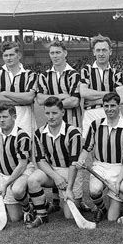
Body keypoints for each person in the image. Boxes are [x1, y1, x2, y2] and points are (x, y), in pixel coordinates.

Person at [78, 92, 123, 222]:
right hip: (100, 166)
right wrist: (81, 159)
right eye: (106, 106)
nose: (109, 109)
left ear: (119, 106)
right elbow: (86, 148)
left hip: (119, 168)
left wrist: (118, 180)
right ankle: (101, 208)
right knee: (94, 190)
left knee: (112, 219)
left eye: (112, 105)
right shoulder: (95, 125)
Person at [36, 40, 83, 213]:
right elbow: (40, 100)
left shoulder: (74, 74)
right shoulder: (44, 76)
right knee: (53, 158)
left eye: (57, 52)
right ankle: (56, 199)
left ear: (65, 53)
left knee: (73, 161)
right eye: (52, 53)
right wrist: (62, 96)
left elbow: (74, 100)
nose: (54, 56)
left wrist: (52, 99)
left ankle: (77, 197)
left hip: (72, 125)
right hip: (54, 126)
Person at [25, 97, 83, 228]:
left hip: (70, 171)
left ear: (62, 112)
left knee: (68, 216)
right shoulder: (39, 133)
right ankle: (42, 214)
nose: (50, 117)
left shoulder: (74, 133)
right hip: (52, 172)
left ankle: (73, 199)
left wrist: (68, 188)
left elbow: (74, 163)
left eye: (54, 113)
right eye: (47, 113)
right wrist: (56, 177)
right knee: (32, 180)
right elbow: (40, 161)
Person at [79, 35, 123, 138]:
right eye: (98, 50)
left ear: (110, 51)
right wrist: (112, 94)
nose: (101, 53)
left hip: (113, 113)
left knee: (114, 149)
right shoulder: (86, 70)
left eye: (104, 50)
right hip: (91, 115)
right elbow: (83, 93)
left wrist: (94, 100)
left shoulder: (116, 72)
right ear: (94, 52)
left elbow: (122, 98)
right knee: (90, 150)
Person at [0, 41, 37, 137]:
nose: (8, 58)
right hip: (3, 123)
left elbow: (29, 98)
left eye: (11, 55)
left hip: (25, 122)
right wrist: (21, 100)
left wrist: (5, 93)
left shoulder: (30, 74)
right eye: (5, 55)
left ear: (19, 55)